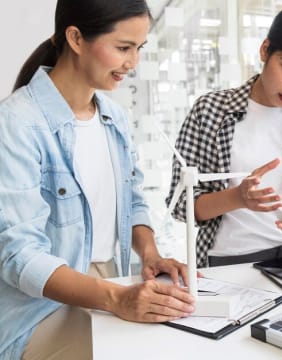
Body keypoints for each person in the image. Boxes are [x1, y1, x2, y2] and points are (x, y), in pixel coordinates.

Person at [0, 1, 194, 359]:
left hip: (112, 281)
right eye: (123, 48)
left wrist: (150, 254)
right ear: (75, 37)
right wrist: (115, 298)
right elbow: (20, 256)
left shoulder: (114, 118)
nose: (132, 63)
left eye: (138, 49)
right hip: (40, 309)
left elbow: (132, 201)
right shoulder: (15, 123)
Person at [167, 3, 282, 268]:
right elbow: (180, 203)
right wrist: (237, 198)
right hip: (230, 260)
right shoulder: (211, 111)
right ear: (265, 50)